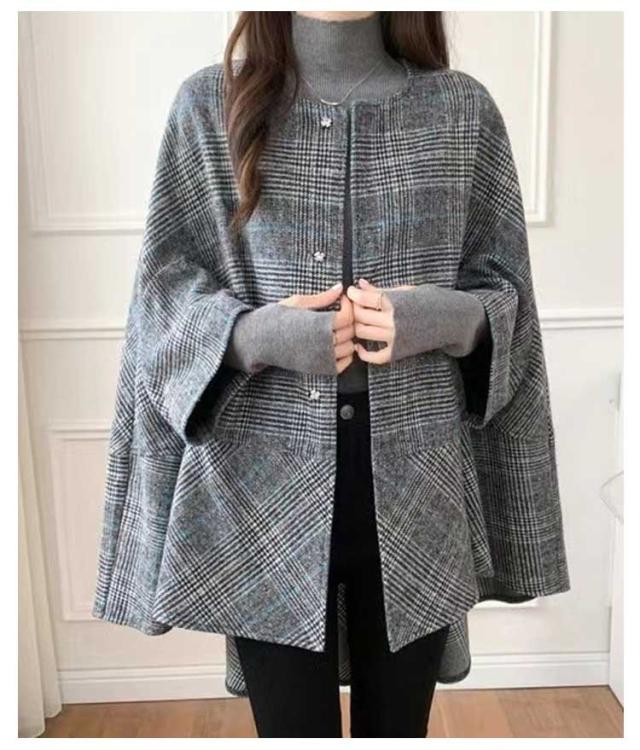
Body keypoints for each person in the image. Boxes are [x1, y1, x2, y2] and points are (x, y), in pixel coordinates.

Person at [92, 9, 571, 741]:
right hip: (259, 496)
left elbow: (508, 297)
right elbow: (161, 299)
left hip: (420, 488)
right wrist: (257, 334)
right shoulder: (208, 105)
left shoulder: (461, 110)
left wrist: (441, 317)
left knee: (398, 730)